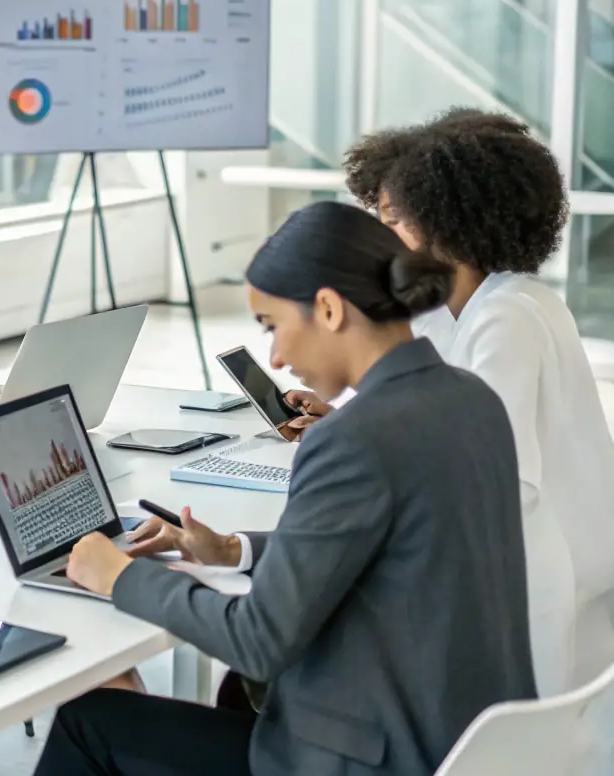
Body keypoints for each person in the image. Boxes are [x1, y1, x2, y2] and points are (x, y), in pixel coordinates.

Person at [35, 200, 535, 776]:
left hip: (374, 757)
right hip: (467, 742)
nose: (274, 356)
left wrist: (121, 576)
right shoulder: (471, 398)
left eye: (273, 327)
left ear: (327, 308)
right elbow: (389, 543)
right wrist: (232, 550)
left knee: (89, 719)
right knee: (220, 699)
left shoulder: (353, 438)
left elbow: (259, 640)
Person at [281, 108, 614, 695]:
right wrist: (349, 424)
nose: (379, 239)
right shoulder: (464, 307)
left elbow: (489, 476)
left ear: (449, 222)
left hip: (535, 597)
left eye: (391, 220)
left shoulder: (508, 316)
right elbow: (439, 428)